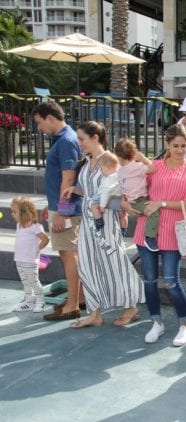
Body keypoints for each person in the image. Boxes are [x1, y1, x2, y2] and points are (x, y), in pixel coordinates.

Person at [64, 121, 145, 328]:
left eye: (82, 139)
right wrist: (75, 190)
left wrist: (108, 207)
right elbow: (92, 191)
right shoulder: (87, 161)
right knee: (87, 266)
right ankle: (94, 312)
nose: (79, 143)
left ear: (95, 138)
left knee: (115, 263)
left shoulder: (110, 161)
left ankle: (131, 306)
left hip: (106, 221)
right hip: (87, 223)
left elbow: (117, 192)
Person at [129, 123, 186, 345]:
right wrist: (127, 202)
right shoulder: (154, 167)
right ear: (167, 145)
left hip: (174, 233)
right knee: (150, 280)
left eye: (183, 146)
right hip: (146, 231)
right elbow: (136, 187)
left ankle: (184, 324)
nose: (180, 150)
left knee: (171, 281)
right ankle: (156, 323)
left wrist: (160, 203)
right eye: (175, 146)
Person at [32, 101, 83, 321]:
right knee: (68, 254)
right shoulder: (65, 139)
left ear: (50, 118)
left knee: (68, 255)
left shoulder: (66, 140)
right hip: (61, 206)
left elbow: (69, 177)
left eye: (39, 122)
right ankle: (77, 298)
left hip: (67, 210)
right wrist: (51, 205)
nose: (39, 127)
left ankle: (72, 305)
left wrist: (61, 211)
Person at [113, 139, 157, 250]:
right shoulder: (137, 167)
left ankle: (122, 232)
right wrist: (143, 159)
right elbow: (152, 168)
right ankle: (150, 237)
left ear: (118, 156)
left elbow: (120, 188)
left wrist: (123, 201)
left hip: (130, 201)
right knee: (154, 213)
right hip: (139, 200)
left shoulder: (120, 171)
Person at [11, 196, 49, 313]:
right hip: (19, 260)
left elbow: (45, 239)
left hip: (30, 261)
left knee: (33, 281)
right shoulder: (19, 225)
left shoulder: (35, 227)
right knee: (25, 282)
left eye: (14, 211)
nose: (12, 214)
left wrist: (36, 250)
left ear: (23, 212)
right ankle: (29, 302)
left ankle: (40, 302)